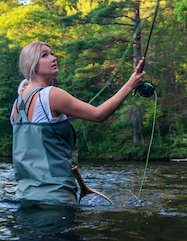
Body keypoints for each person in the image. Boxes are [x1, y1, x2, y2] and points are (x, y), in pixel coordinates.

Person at [10, 41, 146, 204]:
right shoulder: (52, 95)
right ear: (32, 65)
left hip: (24, 196)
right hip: (56, 196)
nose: (53, 58)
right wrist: (130, 84)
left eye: (52, 53)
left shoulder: (17, 104)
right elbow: (98, 115)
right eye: (45, 55)